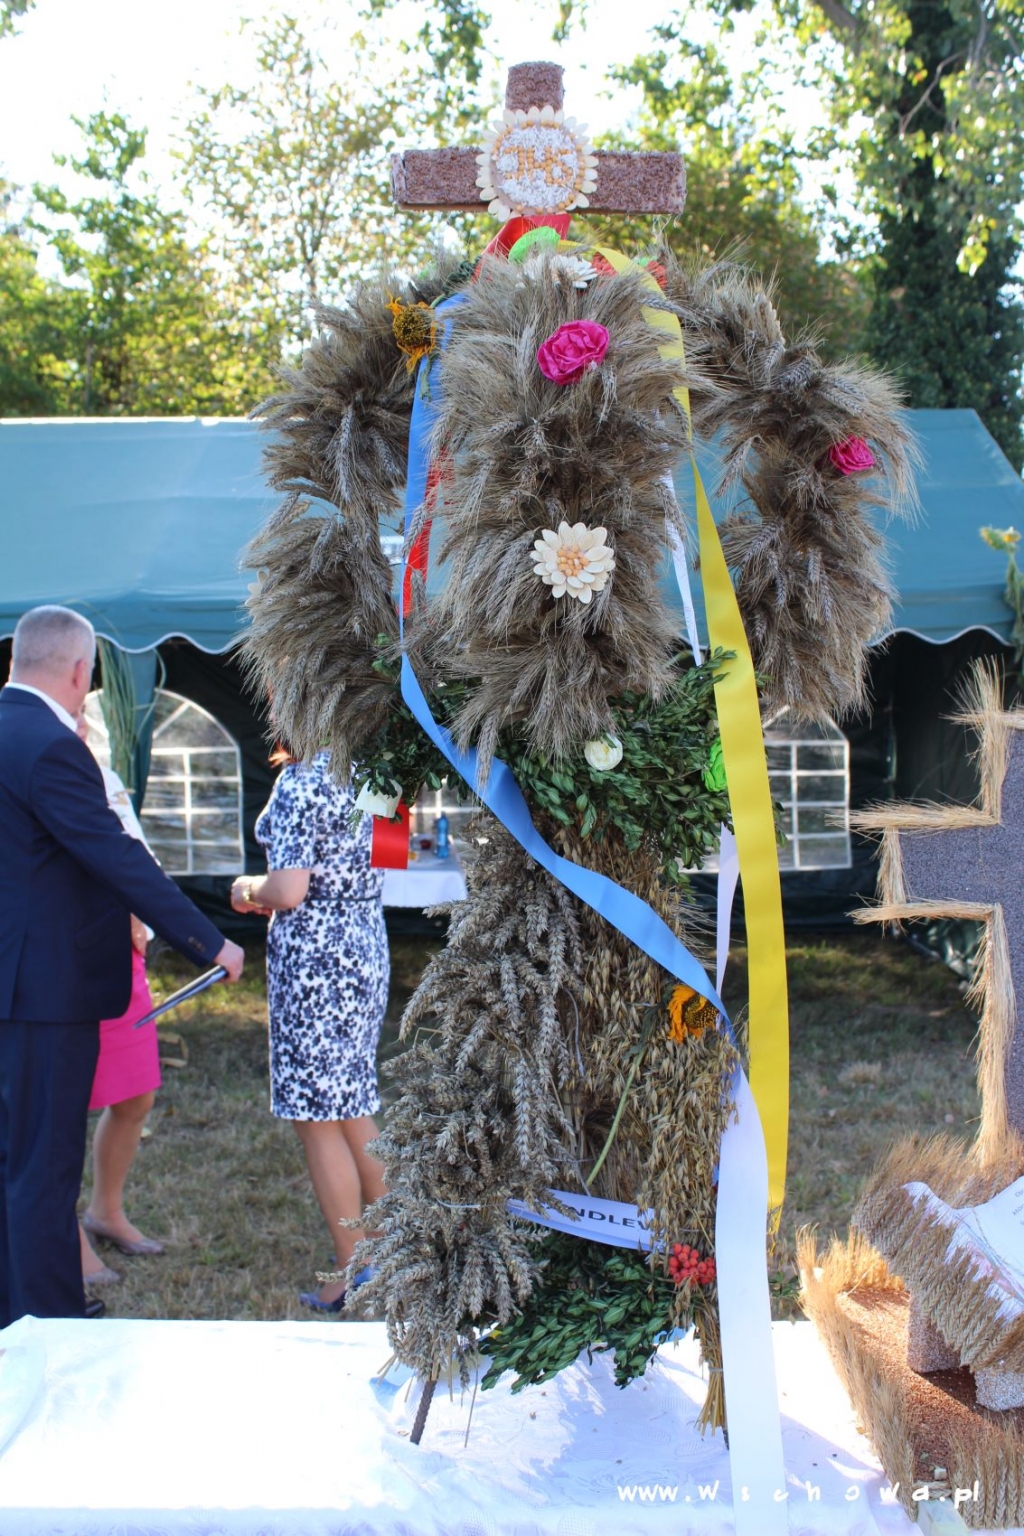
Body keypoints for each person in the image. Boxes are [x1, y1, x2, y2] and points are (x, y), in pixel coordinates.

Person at [0, 606, 244, 1328]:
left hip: (14, 978)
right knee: (45, 1166)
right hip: (45, 990)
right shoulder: (52, 746)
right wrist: (210, 941)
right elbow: (117, 858)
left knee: (15, 1156)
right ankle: (47, 1321)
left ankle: (15, 1310)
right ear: (81, 672)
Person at [231, 747, 388, 1312]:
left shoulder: (300, 783)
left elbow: (289, 890)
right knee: (353, 1104)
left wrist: (248, 889)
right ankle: (391, 1253)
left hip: (316, 961)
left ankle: (352, 1271)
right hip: (365, 942)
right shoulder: (377, 769)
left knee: (319, 1118)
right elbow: (392, 856)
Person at [73, 710, 165, 1287]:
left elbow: (134, 856)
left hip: (121, 956)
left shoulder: (103, 776)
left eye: (82, 714)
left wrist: (141, 914)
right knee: (58, 1107)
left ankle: (105, 1210)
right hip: (63, 961)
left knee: (136, 1094)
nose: (81, 723)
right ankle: (66, 1237)